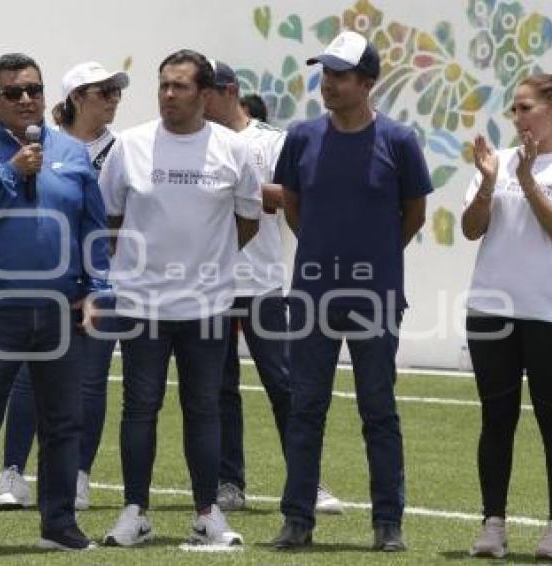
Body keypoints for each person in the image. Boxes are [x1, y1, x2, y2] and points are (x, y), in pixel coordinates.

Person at [0, 52, 110, 552]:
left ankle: (59, 524)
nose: (26, 99)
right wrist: (11, 171)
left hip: (62, 310)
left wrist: (100, 291)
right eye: (14, 93)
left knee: (62, 423)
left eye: (34, 89)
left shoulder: (73, 154)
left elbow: (95, 231)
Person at [270, 31, 432, 551]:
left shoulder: (399, 141)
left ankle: (388, 523)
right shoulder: (301, 137)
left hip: (376, 298)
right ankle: (298, 520)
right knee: (305, 409)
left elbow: (413, 214)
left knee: (378, 410)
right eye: (326, 74)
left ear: (367, 82)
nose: (329, 84)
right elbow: (293, 205)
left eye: (340, 75)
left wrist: (376, 260)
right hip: (312, 297)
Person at [98, 49, 260, 550]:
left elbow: (248, 219)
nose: (169, 94)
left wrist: (207, 267)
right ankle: (134, 513)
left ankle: (207, 514)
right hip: (141, 304)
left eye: (181, 86)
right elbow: (109, 217)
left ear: (205, 94)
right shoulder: (129, 145)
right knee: (138, 408)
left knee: (204, 409)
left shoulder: (234, 149)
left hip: (208, 306)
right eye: (164, 84)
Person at [461, 73, 552, 561]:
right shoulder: (496, 161)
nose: (517, 117)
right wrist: (487, 184)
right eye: (514, 110)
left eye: (525, 107)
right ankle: (492, 525)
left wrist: (525, 179)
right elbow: (471, 228)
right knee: (496, 419)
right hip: (491, 312)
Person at [203, 60, 342, 515]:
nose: (196, 101)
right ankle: (229, 483)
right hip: (211, 284)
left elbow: (292, 197)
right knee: (219, 389)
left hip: (262, 282)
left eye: (205, 92)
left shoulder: (272, 141)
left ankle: (308, 482)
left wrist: (243, 189)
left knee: (284, 384)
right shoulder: (198, 143)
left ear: (228, 91)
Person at [0, 60, 128, 512]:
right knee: (29, 379)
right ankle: (12, 472)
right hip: (44, 284)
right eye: (101, 90)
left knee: (90, 383)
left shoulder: (124, 149)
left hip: (103, 281)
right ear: (74, 98)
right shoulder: (46, 146)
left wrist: (99, 281)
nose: (112, 97)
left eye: (114, 89)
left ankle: (78, 475)